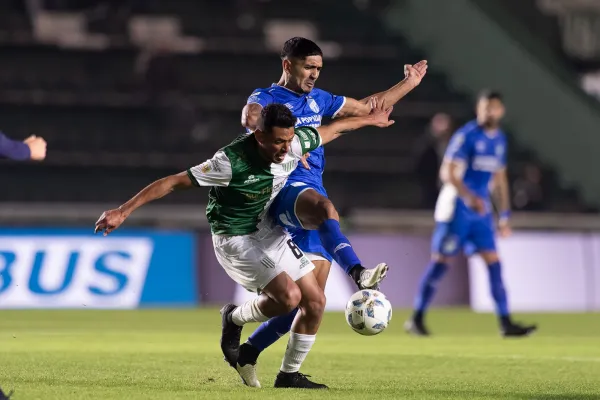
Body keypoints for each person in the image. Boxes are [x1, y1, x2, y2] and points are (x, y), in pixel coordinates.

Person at [94, 102, 395, 389]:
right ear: (259, 135)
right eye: (278, 142)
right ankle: (234, 317)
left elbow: (332, 131)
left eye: (289, 141)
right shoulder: (228, 162)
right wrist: (123, 210)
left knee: (315, 302)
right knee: (289, 298)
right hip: (234, 237)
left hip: (268, 230)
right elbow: (173, 182)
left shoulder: (293, 143)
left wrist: (370, 119)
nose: (285, 149)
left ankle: (288, 376)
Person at [236, 37, 427, 385]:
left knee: (310, 303)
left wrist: (408, 83)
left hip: (310, 193)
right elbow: (251, 117)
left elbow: (371, 107)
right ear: (287, 65)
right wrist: (285, 140)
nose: (314, 75)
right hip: (284, 191)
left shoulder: (319, 100)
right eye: (309, 67)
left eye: (319, 69)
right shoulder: (266, 98)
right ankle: (358, 272)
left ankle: (260, 359)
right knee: (326, 210)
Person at [404, 90, 537, 337]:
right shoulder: (466, 136)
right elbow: (447, 173)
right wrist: (468, 197)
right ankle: (417, 318)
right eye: (485, 107)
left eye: (493, 107)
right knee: (440, 264)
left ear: (501, 111)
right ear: (478, 109)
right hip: (457, 208)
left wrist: (504, 215)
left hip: (481, 211)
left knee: (494, 264)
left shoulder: (499, 140)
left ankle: (506, 323)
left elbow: (499, 180)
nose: (489, 112)